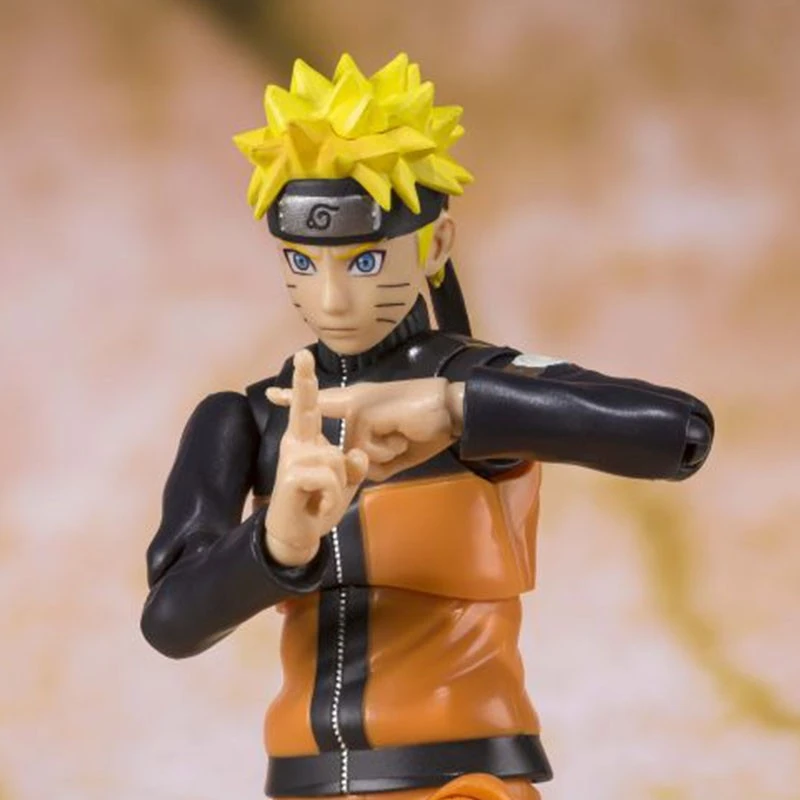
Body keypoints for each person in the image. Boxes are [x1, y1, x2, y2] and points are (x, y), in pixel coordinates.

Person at [141, 53, 713, 800]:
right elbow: (170, 622)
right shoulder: (249, 421)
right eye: (303, 262)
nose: (333, 298)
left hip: (458, 778)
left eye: (365, 261)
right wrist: (276, 545)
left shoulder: (486, 386)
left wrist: (457, 409)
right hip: (307, 784)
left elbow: (677, 432)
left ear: (435, 245)